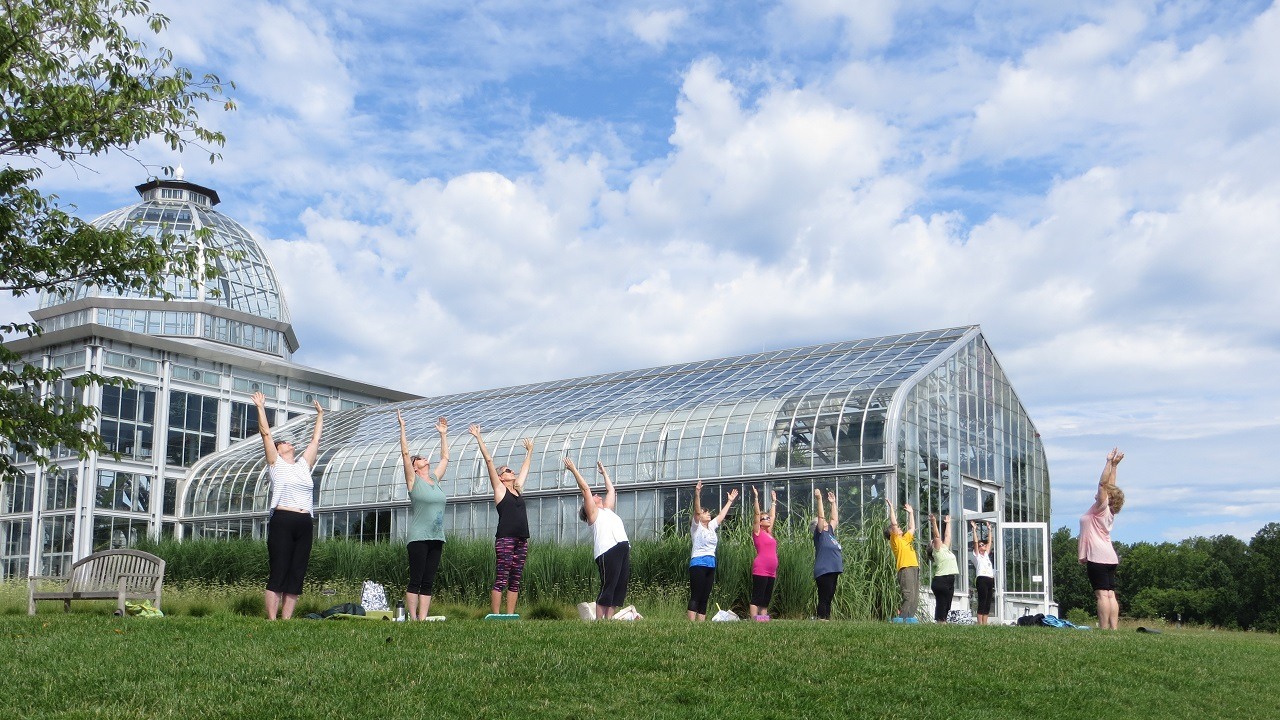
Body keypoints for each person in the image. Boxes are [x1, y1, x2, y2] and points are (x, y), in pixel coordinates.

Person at [252, 391, 324, 620]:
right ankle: (272, 620)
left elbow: (315, 441)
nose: (287, 443)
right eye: (282, 443)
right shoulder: (276, 465)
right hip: (283, 521)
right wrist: (261, 407)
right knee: (279, 569)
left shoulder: (303, 466)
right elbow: (265, 434)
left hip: (304, 522)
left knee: (297, 572)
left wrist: (320, 415)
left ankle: (287, 619)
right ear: (279, 450)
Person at [469, 424, 534, 615]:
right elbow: (489, 460)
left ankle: (510, 615)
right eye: (507, 470)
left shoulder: (518, 489)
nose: (511, 472)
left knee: (515, 579)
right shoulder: (499, 489)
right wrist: (478, 437)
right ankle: (496, 616)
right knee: (502, 578)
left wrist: (530, 451)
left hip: (522, 539)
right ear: (500, 477)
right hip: (505, 539)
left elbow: (525, 468)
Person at [397, 411, 450, 620]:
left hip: (437, 536)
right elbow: (404, 453)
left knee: (428, 580)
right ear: (415, 467)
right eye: (419, 459)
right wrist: (402, 427)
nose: (424, 459)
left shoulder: (435, 480)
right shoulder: (413, 482)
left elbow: (445, 457)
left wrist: (443, 434)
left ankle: (422, 618)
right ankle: (412, 617)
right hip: (419, 537)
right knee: (416, 579)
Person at [564, 457, 629, 619]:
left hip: (622, 547)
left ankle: (609, 620)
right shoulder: (594, 515)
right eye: (594, 496)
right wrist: (573, 470)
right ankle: (599, 621)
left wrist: (604, 473)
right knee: (608, 585)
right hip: (608, 550)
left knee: (618, 587)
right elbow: (585, 490)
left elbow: (611, 490)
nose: (596, 494)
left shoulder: (607, 510)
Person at [1079, 448, 1125, 630]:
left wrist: (1107, 462)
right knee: (1110, 594)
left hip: (1097, 556)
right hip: (1110, 557)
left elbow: (1103, 484)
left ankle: (1104, 629)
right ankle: (1113, 629)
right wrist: (1114, 466)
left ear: (1107, 497)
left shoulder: (1101, 507)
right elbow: (1111, 486)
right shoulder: (1110, 510)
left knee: (1101, 595)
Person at [687, 480, 738, 621]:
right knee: (696, 595)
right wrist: (697, 493)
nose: (708, 514)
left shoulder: (711, 527)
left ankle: (701, 624)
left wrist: (729, 501)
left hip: (711, 563)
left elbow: (721, 516)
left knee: (705, 596)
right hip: (698, 563)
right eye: (706, 513)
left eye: (708, 513)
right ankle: (691, 624)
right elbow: (697, 511)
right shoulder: (696, 528)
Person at [885, 499, 920, 623]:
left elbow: (912, 528)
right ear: (891, 533)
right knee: (908, 595)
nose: (900, 529)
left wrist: (911, 513)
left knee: (915, 597)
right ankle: (902, 619)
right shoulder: (895, 540)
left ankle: (909, 619)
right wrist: (891, 508)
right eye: (897, 528)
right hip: (905, 568)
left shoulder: (905, 539)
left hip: (914, 567)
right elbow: (894, 524)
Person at [812, 489, 843, 620]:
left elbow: (834, 519)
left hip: (833, 569)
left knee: (830, 596)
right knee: (824, 596)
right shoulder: (819, 534)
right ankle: (821, 618)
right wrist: (819, 499)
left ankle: (826, 619)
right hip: (824, 570)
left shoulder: (830, 532)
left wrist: (833, 503)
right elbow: (821, 517)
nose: (825, 522)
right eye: (822, 522)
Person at [749, 487, 779, 621]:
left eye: (767, 518)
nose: (768, 519)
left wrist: (774, 502)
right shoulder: (758, 532)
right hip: (761, 568)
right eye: (764, 518)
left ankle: (763, 620)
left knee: (766, 598)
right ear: (760, 523)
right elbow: (756, 515)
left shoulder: (769, 533)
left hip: (771, 571)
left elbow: (772, 516)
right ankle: (755, 620)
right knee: (758, 596)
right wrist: (756, 498)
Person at [928, 513, 958, 623]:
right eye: (934, 542)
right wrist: (934, 522)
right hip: (941, 580)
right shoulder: (937, 551)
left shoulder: (945, 548)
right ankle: (941, 623)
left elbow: (947, 536)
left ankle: (943, 622)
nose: (936, 541)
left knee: (947, 605)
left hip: (950, 579)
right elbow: (936, 536)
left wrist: (948, 523)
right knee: (941, 603)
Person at [969, 520, 995, 625]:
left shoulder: (986, 555)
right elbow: (975, 542)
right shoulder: (977, 556)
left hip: (989, 578)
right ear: (979, 548)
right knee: (982, 600)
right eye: (981, 545)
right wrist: (974, 530)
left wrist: (989, 530)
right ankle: (979, 623)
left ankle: (985, 623)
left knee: (988, 602)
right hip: (982, 579)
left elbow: (989, 542)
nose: (983, 545)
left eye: (983, 544)